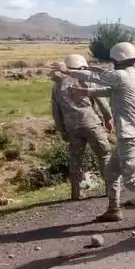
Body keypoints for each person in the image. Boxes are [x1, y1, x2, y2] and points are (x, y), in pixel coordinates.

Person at [53, 44, 135, 223]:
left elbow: (98, 76)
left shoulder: (121, 76)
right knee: (110, 172)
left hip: (130, 135)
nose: (112, 63)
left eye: (113, 60)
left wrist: (68, 71)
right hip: (128, 134)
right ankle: (113, 209)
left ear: (117, 59)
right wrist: (87, 91)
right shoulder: (131, 75)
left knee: (131, 181)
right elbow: (109, 89)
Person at [50, 54, 114, 212]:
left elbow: (56, 112)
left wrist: (62, 130)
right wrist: (108, 118)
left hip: (72, 128)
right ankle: (110, 189)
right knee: (104, 155)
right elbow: (101, 101)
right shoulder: (85, 79)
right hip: (92, 124)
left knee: (75, 159)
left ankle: (76, 192)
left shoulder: (57, 86)